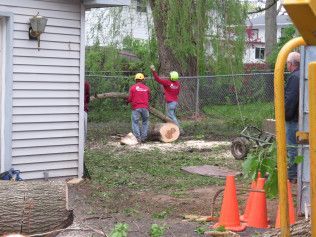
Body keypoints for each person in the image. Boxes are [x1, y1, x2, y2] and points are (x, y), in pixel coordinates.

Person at [285, 51, 300, 184]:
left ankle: (293, 175)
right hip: (301, 118)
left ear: (291, 64)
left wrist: (285, 116)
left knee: (292, 147)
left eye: (287, 64)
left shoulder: (294, 77)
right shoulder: (304, 74)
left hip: (293, 119)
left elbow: (290, 99)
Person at [128, 73, 151, 143]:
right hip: (145, 107)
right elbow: (149, 98)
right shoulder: (147, 88)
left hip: (136, 108)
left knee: (135, 122)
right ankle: (143, 138)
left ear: (136, 80)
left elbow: (130, 98)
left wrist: (127, 101)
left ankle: (137, 138)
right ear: (143, 80)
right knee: (145, 122)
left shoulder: (132, 87)